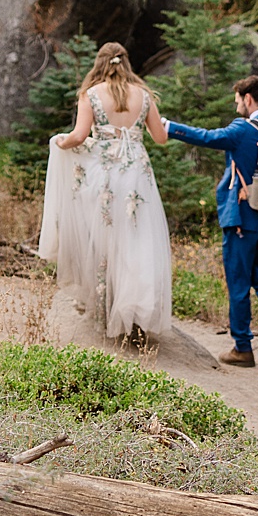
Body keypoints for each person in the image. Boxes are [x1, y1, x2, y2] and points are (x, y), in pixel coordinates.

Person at [37, 41, 180, 349]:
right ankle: (138, 313)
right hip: (137, 175)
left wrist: (58, 143)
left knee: (104, 239)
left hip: (103, 176)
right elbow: (161, 138)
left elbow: (78, 137)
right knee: (138, 238)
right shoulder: (144, 96)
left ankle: (106, 309)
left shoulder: (90, 95)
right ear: (126, 63)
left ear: (99, 64)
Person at [164, 76, 258, 372]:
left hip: (242, 218)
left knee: (239, 282)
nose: (237, 105)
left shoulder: (242, 129)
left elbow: (205, 137)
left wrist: (167, 126)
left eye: (238, 99)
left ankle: (243, 349)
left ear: (248, 98)